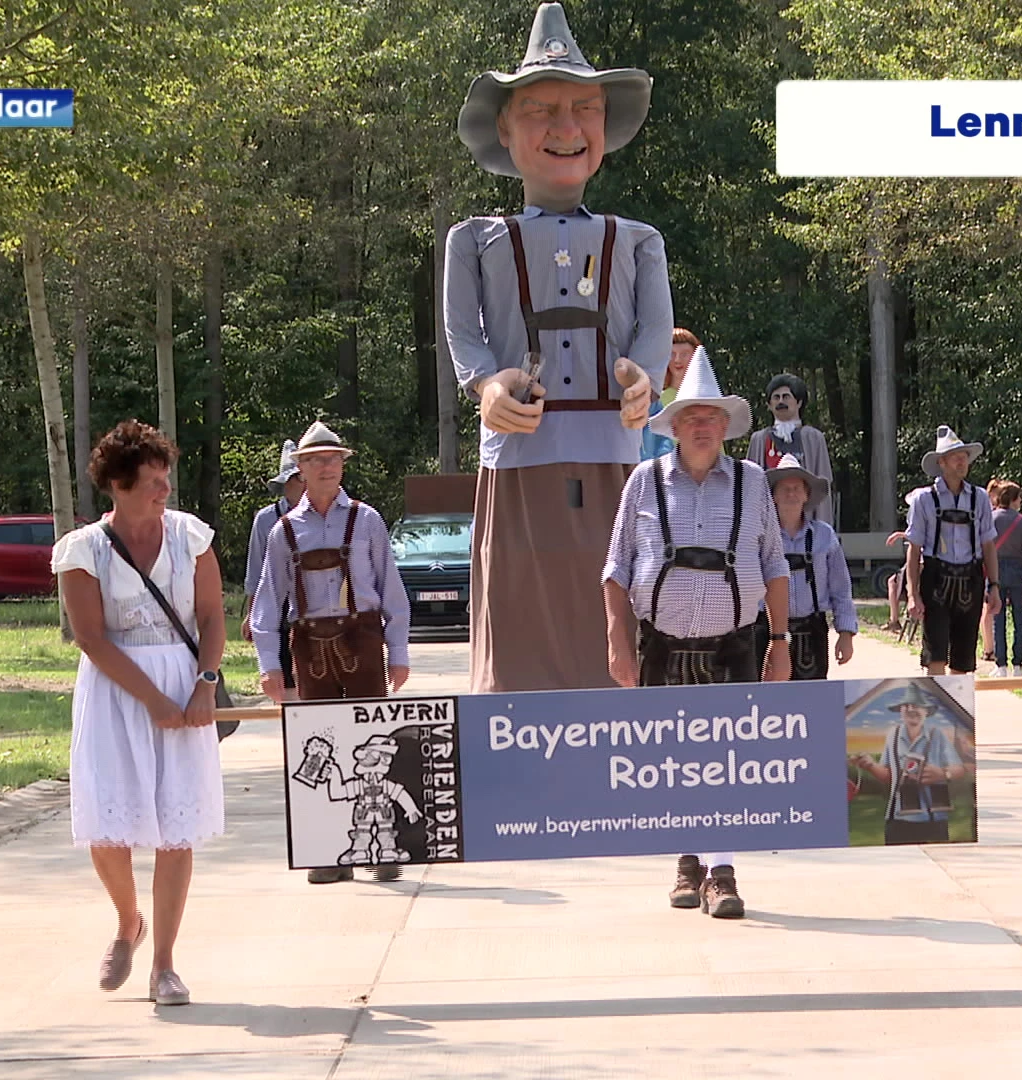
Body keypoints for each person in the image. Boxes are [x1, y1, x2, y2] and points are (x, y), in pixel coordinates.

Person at [446, 2, 669, 694]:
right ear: (506, 130)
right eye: (543, 110)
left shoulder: (637, 240)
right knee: (520, 619)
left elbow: (652, 337)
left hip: (614, 458)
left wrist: (645, 382)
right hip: (519, 460)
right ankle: (519, 766)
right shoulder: (473, 239)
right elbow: (463, 337)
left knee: (619, 621)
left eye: (585, 109)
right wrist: (486, 386)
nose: (567, 128)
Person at [603, 348, 790, 919]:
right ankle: (688, 865)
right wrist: (617, 643)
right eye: (692, 417)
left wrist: (780, 642)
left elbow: (775, 565)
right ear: (675, 426)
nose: (703, 426)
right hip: (661, 643)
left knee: (728, 759)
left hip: (734, 642)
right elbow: (615, 567)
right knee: (675, 759)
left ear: (726, 426)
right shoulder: (643, 481)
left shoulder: (754, 483)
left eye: (712, 417)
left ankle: (724, 873)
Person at [52, 420, 226, 1007]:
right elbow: (91, 638)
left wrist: (205, 683)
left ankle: (165, 965)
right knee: (110, 827)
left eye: (166, 477)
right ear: (119, 486)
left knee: (176, 833)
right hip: (113, 693)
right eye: (152, 480)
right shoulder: (83, 551)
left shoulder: (190, 537)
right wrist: (150, 699)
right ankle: (128, 919)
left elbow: (211, 616)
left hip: (184, 683)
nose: (164, 490)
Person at [251, 422, 412, 884]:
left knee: (373, 743)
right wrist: (270, 666)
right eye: (316, 460)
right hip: (309, 647)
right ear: (299, 469)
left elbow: (392, 592)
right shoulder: (283, 531)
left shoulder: (367, 520)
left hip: (362, 641)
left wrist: (397, 653)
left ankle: (384, 848)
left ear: (343, 464)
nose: (326, 467)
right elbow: (267, 602)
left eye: (333, 458)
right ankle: (326, 850)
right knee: (317, 748)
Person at [904, 426, 1002, 675]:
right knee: (935, 653)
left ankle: (958, 711)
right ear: (942, 462)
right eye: (956, 456)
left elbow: (988, 545)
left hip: (971, 579)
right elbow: (914, 550)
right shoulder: (923, 499)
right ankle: (936, 712)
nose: (963, 461)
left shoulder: (979, 498)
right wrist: (912, 593)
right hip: (936, 578)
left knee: (963, 657)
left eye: (965, 456)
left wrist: (994, 586)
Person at [757, 453, 856, 679]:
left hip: (812, 632)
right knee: (766, 703)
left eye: (797, 488)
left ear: (806, 495)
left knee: (812, 703)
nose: (791, 493)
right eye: (785, 488)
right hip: (767, 633)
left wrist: (846, 633)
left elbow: (841, 589)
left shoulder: (824, 536)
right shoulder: (759, 536)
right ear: (773, 496)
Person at [853, 683, 969, 843]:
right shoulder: (892, 736)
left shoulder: (937, 735)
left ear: (926, 711)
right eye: (906, 705)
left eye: (916, 705)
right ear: (900, 711)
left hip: (933, 820)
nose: (910, 709)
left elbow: (959, 768)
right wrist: (870, 765)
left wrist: (943, 774)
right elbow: (889, 777)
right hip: (898, 820)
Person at [241, 441, 306, 655]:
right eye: (295, 479)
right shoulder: (266, 519)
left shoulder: (325, 517)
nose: (302, 484)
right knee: (283, 676)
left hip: (314, 606)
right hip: (279, 605)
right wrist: (252, 614)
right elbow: (256, 571)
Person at [747, 373, 835, 526]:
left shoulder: (814, 438)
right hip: (768, 522)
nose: (781, 401)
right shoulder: (759, 439)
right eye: (776, 397)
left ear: (799, 402)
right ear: (769, 404)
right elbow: (750, 487)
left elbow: (823, 486)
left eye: (786, 396)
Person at [987, 481, 1022, 677]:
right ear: (1015, 499)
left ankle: (1000, 665)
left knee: (998, 619)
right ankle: (1018, 665)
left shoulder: (991, 518)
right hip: (1018, 571)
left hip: (996, 570)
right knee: (1019, 620)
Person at [640, 328, 700, 460]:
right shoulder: (655, 401)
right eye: (672, 354)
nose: (678, 360)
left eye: (684, 354)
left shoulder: (705, 399)